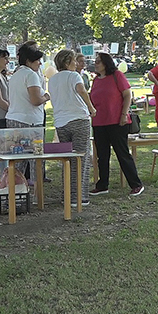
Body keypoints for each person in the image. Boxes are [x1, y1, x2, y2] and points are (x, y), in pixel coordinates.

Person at [89, 52, 144, 197]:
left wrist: (124, 114)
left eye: (98, 61)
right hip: (99, 122)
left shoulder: (117, 76)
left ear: (106, 63)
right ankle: (102, 185)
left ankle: (136, 184)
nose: (96, 63)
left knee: (122, 153)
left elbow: (127, 95)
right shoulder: (96, 80)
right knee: (102, 154)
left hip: (117, 121)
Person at [49, 50, 97, 206]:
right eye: (74, 61)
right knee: (81, 158)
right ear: (67, 61)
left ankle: (67, 195)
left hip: (61, 122)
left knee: (68, 159)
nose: (76, 63)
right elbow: (81, 90)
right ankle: (78, 196)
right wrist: (91, 107)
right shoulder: (74, 76)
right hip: (78, 119)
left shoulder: (53, 79)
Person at [5, 45, 50, 184]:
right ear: (29, 61)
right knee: (36, 159)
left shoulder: (16, 75)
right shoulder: (31, 75)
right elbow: (35, 100)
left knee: (17, 161)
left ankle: (12, 191)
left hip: (13, 119)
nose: (40, 64)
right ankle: (37, 194)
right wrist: (46, 97)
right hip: (30, 122)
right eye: (38, 61)